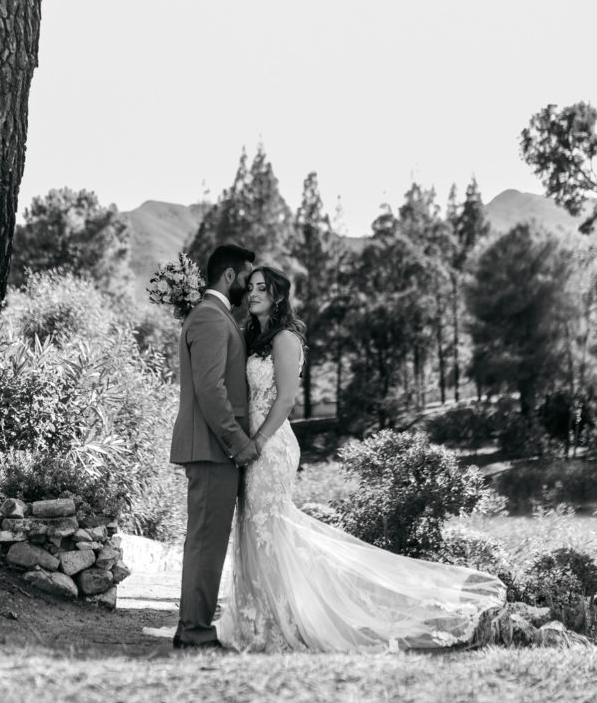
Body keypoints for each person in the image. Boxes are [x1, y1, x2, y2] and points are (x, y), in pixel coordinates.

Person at [216, 265, 507, 653]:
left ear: (278, 296)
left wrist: (256, 441)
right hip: (251, 443)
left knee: (269, 531)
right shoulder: (255, 338)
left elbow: (285, 399)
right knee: (256, 531)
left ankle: (284, 622)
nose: (252, 294)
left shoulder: (285, 339)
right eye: (249, 288)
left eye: (261, 289)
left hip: (270, 445)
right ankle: (260, 619)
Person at [170, 243, 259, 649]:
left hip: (214, 449)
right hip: (212, 448)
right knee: (206, 541)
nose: (250, 285)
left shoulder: (216, 315)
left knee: (208, 540)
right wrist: (237, 441)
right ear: (229, 276)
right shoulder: (209, 317)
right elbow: (211, 389)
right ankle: (193, 630)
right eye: (247, 276)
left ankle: (194, 625)